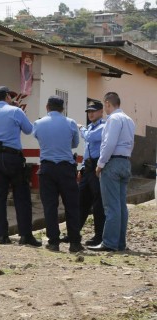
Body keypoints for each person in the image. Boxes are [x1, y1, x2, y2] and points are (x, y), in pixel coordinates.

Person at [0, 86, 41, 247]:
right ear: (7, 96)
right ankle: (25, 235)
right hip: (12, 156)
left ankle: (2, 235)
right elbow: (29, 130)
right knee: (21, 196)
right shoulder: (16, 111)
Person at [33, 95, 83, 253]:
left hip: (47, 168)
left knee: (50, 206)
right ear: (63, 109)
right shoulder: (70, 123)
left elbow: (37, 137)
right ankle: (74, 242)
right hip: (66, 168)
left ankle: (53, 242)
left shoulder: (38, 124)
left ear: (47, 107)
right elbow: (74, 144)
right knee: (71, 206)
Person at [89, 92, 135, 252]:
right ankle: (120, 242)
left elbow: (109, 143)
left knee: (111, 206)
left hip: (112, 162)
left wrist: (100, 164)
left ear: (108, 103)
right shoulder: (129, 120)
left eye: (105, 105)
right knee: (121, 205)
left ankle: (109, 242)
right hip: (125, 162)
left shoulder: (113, 119)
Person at [78, 101, 106, 246]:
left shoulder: (103, 127)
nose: (90, 114)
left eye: (93, 111)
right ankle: (73, 233)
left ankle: (99, 236)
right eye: (89, 111)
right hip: (87, 168)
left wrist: (81, 128)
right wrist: (81, 168)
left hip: (97, 167)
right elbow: (86, 151)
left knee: (98, 203)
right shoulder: (89, 128)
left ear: (101, 112)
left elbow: (89, 137)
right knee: (81, 201)